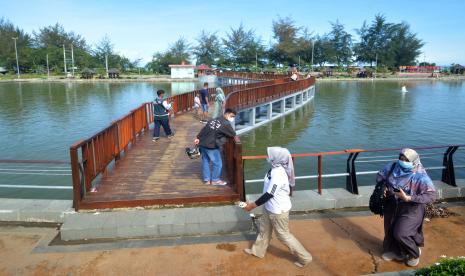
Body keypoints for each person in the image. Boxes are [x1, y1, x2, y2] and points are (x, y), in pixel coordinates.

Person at [243, 147, 312, 268]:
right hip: (269, 206)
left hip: (278, 211)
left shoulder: (279, 173)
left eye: (268, 155)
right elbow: (267, 191)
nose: (266, 156)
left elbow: (270, 193)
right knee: (264, 230)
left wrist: (252, 206)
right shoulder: (274, 168)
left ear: (276, 158)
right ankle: (257, 251)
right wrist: (255, 202)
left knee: (283, 235)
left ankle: (305, 257)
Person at [377, 148, 436, 267]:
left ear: (414, 161)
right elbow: (380, 177)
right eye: (401, 158)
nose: (402, 161)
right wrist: (383, 189)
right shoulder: (392, 167)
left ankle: (414, 253)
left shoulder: (420, 176)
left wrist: (409, 198)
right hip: (392, 204)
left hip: (411, 208)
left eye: (406, 160)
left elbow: (431, 196)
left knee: (401, 232)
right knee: (390, 228)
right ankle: (396, 251)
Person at [193, 108, 236, 185]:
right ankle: (215, 180)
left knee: (205, 161)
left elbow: (204, 129)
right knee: (218, 163)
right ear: (226, 114)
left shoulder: (214, 119)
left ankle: (207, 180)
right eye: (232, 116)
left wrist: (198, 137)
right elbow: (232, 134)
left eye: (234, 116)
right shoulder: (226, 124)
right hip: (211, 145)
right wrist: (224, 137)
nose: (232, 118)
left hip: (202, 143)